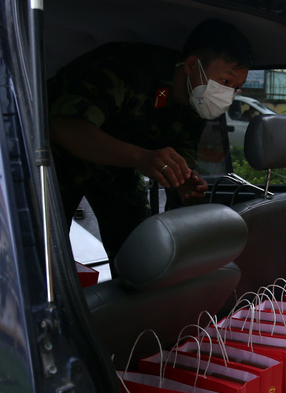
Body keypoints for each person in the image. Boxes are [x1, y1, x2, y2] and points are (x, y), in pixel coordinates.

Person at [49, 18, 253, 262]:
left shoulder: (196, 98)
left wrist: (181, 179)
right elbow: (66, 127)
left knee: (139, 255)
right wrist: (141, 157)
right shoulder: (125, 67)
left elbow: (183, 146)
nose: (228, 94)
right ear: (191, 65)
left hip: (119, 167)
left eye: (236, 87)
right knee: (45, 252)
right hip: (52, 162)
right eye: (225, 81)